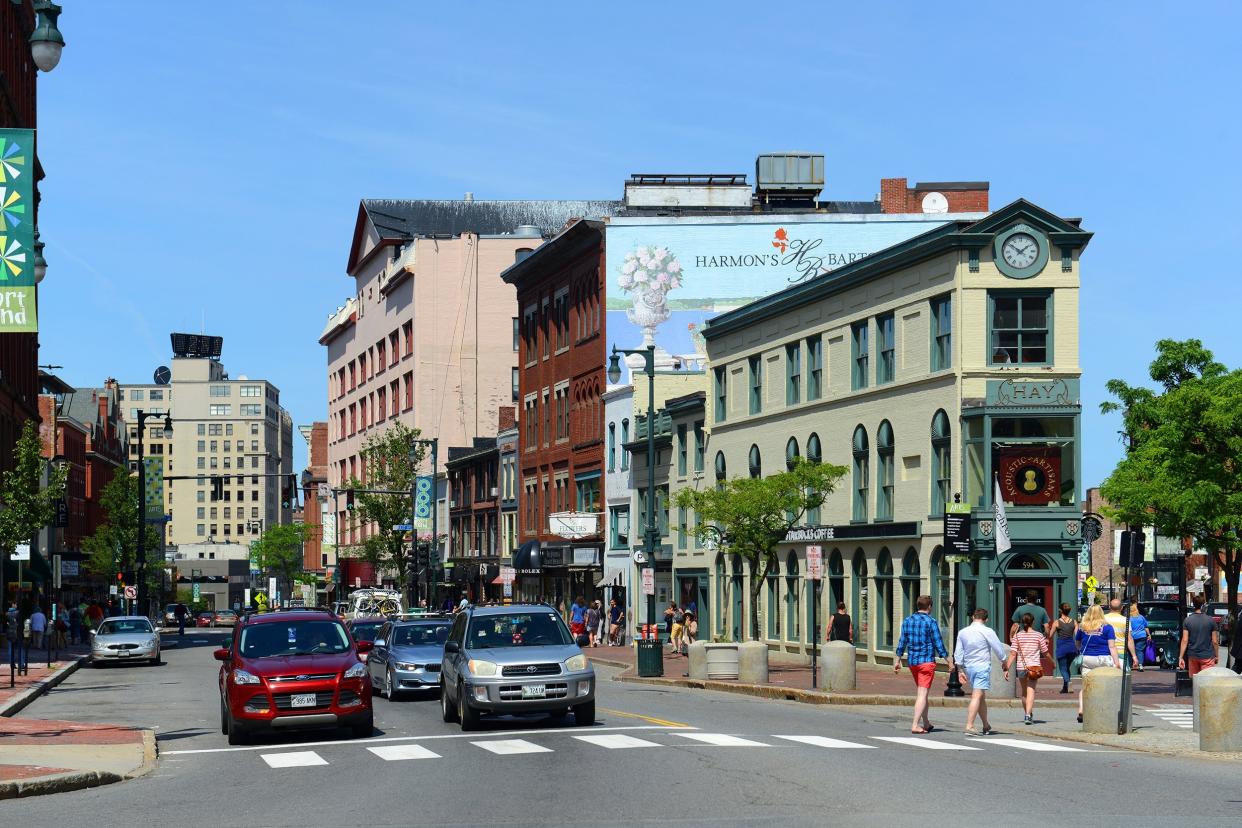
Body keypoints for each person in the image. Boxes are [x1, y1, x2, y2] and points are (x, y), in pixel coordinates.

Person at [894, 595, 952, 734]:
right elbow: (938, 643)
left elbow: (902, 642)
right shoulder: (931, 622)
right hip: (926, 662)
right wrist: (949, 661)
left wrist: (897, 660)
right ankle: (915, 724)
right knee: (922, 693)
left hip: (913, 662)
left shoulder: (907, 621)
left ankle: (926, 722)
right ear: (930, 607)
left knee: (923, 692)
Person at [953, 608, 1009, 736]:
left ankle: (985, 724)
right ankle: (970, 725)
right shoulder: (987, 631)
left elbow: (958, 652)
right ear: (986, 619)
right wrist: (1004, 662)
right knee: (977, 696)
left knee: (981, 697)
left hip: (969, 667)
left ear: (973, 617)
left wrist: (960, 670)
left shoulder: (963, 632)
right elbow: (998, 648)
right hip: (982, 666)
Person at [1075, 605, 1120, 723]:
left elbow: (1078, 643)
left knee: (1086, 685)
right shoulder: (1107, 627)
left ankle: (1081, 709)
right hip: (1103, 658)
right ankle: (1101, 710)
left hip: (1087, 658)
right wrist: (1116, 663)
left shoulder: (1082, 627)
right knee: (1103, 684)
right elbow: (1112, 646)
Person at [1006, 612, 1050, 725]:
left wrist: (1006, 668)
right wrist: (1052, 662)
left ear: (1021, 623)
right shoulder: (1038, 635)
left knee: (1024, 693)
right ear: (1033, 622)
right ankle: (1028, 715)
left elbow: (1012, 653)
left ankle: (1027, 713)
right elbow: (1045, 652)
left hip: (1021, 667)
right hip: (1034, 667)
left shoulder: (1017, 636)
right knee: (1031, 691)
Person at [1178, 594, 1219, 676]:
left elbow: (1184, 640)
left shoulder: (1187, 621)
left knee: (1194, 681)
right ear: (1203, 605)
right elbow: (1215, 641)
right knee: (1206, 681)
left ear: (1193, 604)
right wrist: (1217, 655)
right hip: (1207, 656)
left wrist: (1181, 657)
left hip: (1193, 655)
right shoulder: (1211, 621)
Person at [1049, 603, 1079, 693]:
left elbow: (1050, 635)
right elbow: (1077, 636)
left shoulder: (1057, 622)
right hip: (1072, 648)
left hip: (1062, 647)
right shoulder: (1074, 622)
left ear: (1060, 611)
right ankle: (1065, 688)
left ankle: (1069, 682)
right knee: (1067, 668)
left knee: (1062, 668)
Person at [1103, 598, 1137, 671]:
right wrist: (1134, 656)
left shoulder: (1103, 619)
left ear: (1109, 607)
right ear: (1121, 608)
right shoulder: (1125, 620)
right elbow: (1129, 639)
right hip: (1121, 652)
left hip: (1106, 652)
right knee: (1123, 678)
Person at [1129, 603, 1149, 672]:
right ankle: (1140, 665)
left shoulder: (1129, 619)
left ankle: (1129, 665)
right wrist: (1149, 635)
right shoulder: (1141, 617)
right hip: (1142, 636)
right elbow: (1146, 627)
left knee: (1130, 651)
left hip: (1132, 636)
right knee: (1140, 651)